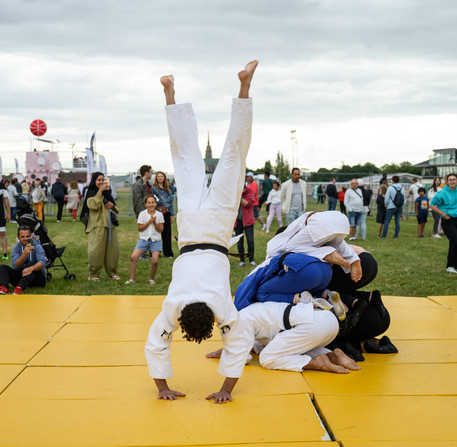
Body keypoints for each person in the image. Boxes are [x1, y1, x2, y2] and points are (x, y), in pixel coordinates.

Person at [145, 60, 258, 404]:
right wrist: (162, 387)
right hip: (191, 225)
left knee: (233, 157)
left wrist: (224, 390)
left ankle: (244, 88)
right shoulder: (173, 306)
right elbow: (155, 343)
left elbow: (239, 343)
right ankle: (169, 93)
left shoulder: (223, 307)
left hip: (219, 224)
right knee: (186, 159)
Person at [206, 301, 359, 375]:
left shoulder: (237, 323)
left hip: (311, 328)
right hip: (327, 321)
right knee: (276, 348)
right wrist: (229, 348)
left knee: (267, 358)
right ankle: (331, 354)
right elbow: (258, 344)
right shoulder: (248, 312)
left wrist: (229, 353)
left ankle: (316, 362)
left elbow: (243, 358)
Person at [325, 245, 396, 361]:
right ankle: (369, 344)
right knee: (329, 291)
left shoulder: (300, 246)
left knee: (325, 291)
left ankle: (347, 345)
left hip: (354, 263)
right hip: (367, 260)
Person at [80, 172, 120, 281]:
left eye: (103, 180)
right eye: (98, 180)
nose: (101, 182)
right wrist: (100, 192)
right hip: (98, 226)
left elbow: (115, 208)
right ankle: (94, 274)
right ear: (94, 181)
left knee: (113, 250)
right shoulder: (91, 192)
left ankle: (112, 273)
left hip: (110, 226)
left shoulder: (108, 192)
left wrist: (112, 205)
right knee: (96, 251)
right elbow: (93, 206)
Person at [125, 195, 164, 285]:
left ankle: (151, 279)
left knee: (155, 260)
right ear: (146, 204)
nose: (151, 204)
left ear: (156, 203)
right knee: (133, 257)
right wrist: (149, 222)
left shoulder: (159, 215)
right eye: (149, 203)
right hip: (144, 239)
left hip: (156, 240)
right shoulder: (142, 214)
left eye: (153, 202)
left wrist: (154, 222)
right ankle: (132, 279)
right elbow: (140, 228)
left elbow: (161, 230)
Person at [0, 226, 46, 295]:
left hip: (37, 279)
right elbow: (15, 266)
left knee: (32, 263)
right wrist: (24, 254)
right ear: (18, 237)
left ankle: (19, 288)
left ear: (31, 236)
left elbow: (43, 263)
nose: (25, 239)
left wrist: (31, 268)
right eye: (22, 237)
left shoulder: (37, 246)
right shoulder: (16, 248)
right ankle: (4, 288)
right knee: (3, 267)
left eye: (27, 236)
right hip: (22, 275)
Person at [430, 173, 457, 273]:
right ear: (447, 181)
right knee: (455, 241)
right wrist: (443, 214)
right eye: (450, 180)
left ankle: (452, 265)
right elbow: (432, 205)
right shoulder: (442, 192)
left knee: (453, 242)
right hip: (448, 220)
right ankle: (451, 266)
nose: (452, 181)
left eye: (454, 179)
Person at [153, 171, 175, 258]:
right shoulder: (154, 188)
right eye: (158, 176)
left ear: (164, 178)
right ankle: (155, 253)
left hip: (166, 213)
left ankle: (168, 253)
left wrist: (172, 214)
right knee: (156, 233)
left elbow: (171, 203)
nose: (160, 178)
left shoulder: (168, 189)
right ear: (156, 178)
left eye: (161, 176)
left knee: (167, 233)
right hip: (158, 212)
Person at [235, 184, 256, 266]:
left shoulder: (249, 192)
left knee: (250, 241)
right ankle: (242, 260)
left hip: (248, 221)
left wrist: (240, 196)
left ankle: (251, 260)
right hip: (237, 221)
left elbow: (247, 204)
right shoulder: (234, 192)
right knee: (240, 242)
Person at [0, 181, 11, 260]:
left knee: (2, 233)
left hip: (0, 214)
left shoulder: (1, 186)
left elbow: (6, 199)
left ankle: (5, 253)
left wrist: (9, 213)